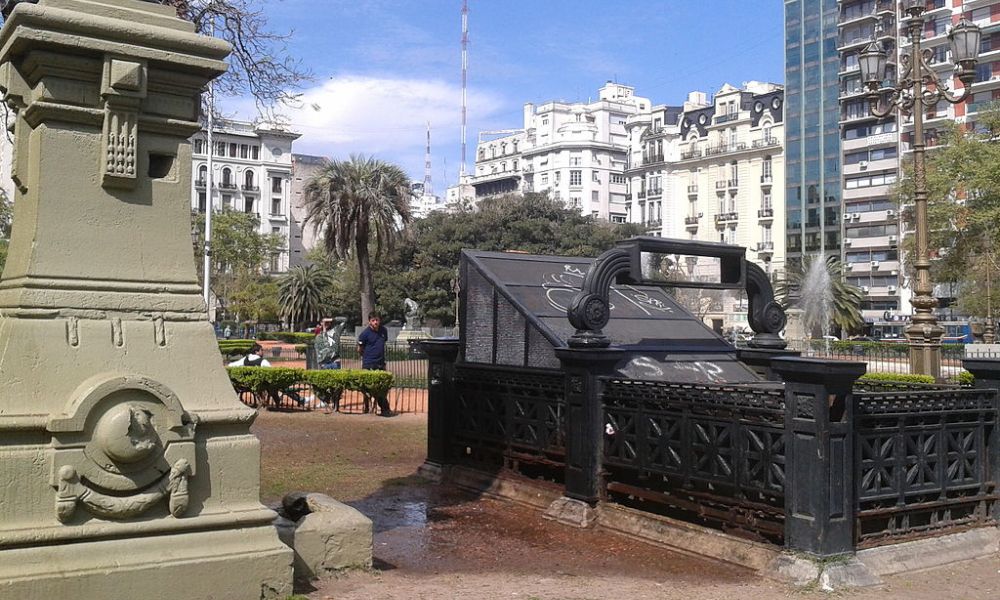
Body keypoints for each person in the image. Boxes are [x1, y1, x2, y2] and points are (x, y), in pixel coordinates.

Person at [357, 312, 395, 417]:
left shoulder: (383, 331)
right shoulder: (364, 334)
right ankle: (367, 407)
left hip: (380, 363)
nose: (375, 322)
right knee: (367, 388)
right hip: (368, 364)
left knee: (381, 388)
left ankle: (385, 409)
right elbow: (360, 349)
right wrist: (365, 357)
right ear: (369, 321)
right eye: (373, 320)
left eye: (377, 320)